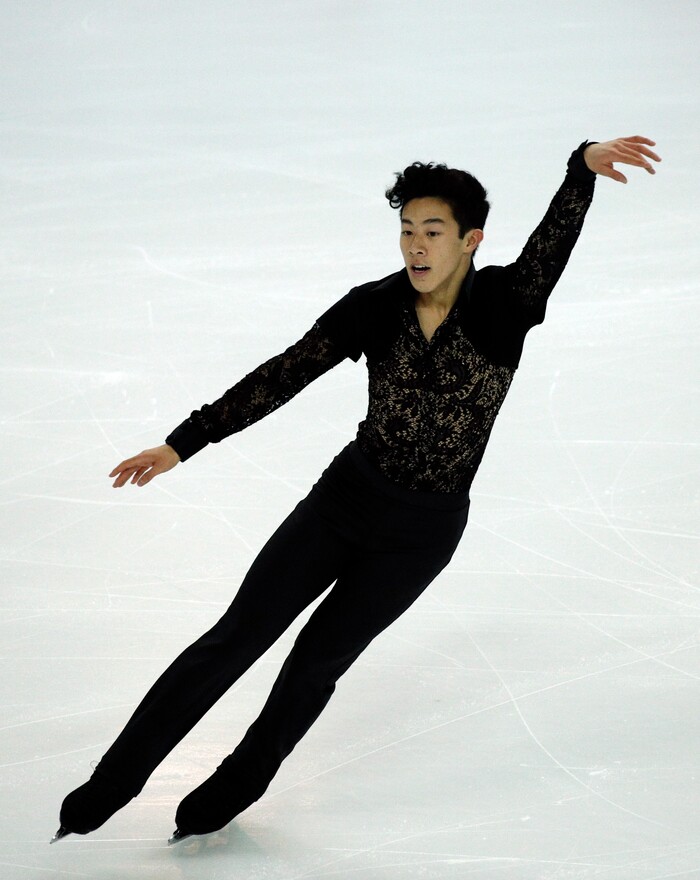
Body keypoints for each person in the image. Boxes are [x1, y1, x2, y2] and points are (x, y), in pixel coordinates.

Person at [53, 136, 660, 844]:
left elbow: (552, 245)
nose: (416, 247)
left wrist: (579, 168)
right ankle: (112, 782)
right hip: (343, 503)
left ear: (471, 239)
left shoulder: (506, 302)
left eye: (432, 231)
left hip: (420, 537)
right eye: (406, 230)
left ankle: (232, 790)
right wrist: (182, 442)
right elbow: (282, 374)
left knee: (313, 669)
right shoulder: (374, 306)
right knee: (234, 639)